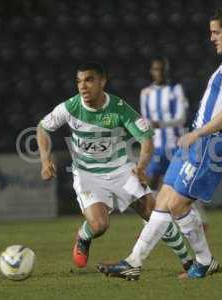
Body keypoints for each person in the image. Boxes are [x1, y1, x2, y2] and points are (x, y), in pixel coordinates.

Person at [96, 7, 222, 280]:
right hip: (197, 140)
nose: (211, 38)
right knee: (166, 200)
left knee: (174, 204)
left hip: (211, 142)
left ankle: (134, 262)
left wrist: (199, 134)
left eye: (216, 32)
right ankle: (203, 261)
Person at [37, 62, 193, 271]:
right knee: (99, 226)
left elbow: (146, 139)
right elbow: (42, 127)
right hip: (87, 174)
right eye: (79, 81)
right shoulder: (70, 107)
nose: (83, 86)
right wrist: (45, 160)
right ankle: (84, 237)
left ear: (102, 81)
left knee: (155, 213)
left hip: (121, 170)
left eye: (89, 80)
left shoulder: (119, 108)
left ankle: (188, 262)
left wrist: (141, 166)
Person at [140, 56, 209, 232]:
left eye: (162, 69)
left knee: (183, 183)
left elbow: (181, 117)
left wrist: (160, 124)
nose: (159, 72)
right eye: (156, 69)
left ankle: (202, 220)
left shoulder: (176, 90)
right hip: (156, 146)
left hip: (176, 145)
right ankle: (149, 226)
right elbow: (144, 119)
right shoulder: (146, 93)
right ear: (151, 71)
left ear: (167, 70)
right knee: (150, 184)